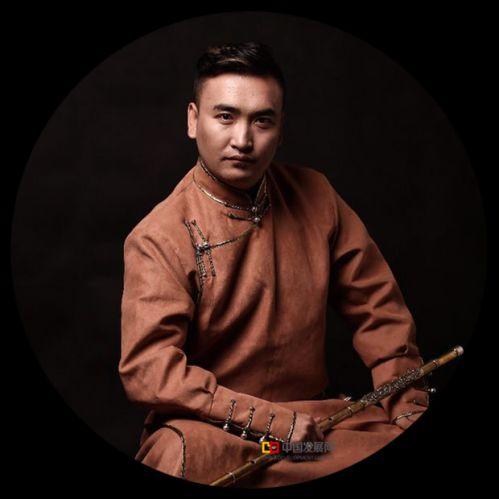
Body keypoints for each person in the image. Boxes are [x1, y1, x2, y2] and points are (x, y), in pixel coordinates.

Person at [118, 41, 429, 487]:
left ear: (281, 129)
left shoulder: (317, 196)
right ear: (193, 119)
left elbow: (378, 310)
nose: (243, 141)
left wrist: (407, 404)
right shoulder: (158, 235)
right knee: (184, 460)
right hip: (218, 436)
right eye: (225, 116)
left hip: (313, 437)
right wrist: (270, 422)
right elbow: (149, 371)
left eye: (261, 121)